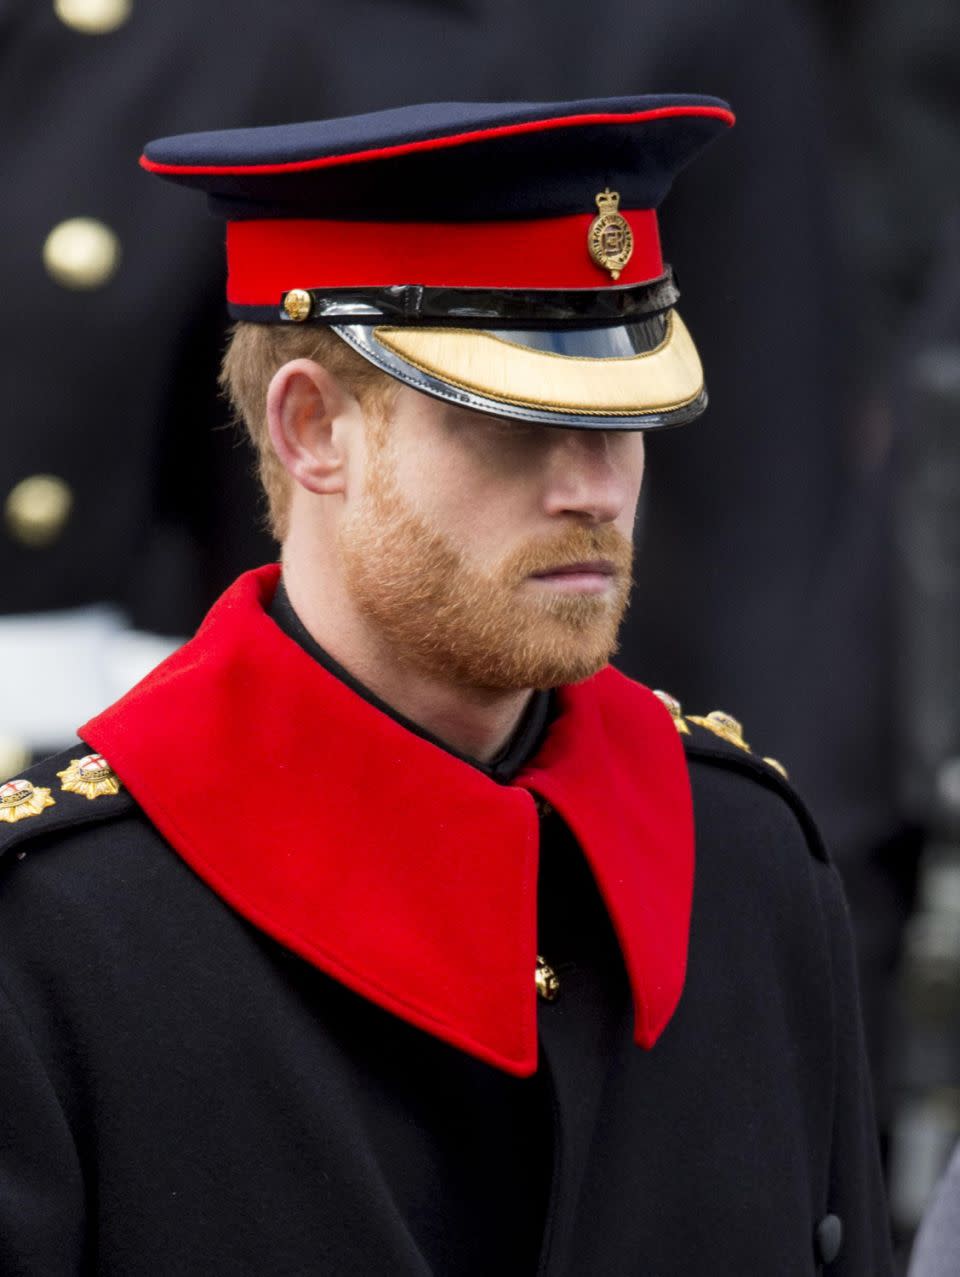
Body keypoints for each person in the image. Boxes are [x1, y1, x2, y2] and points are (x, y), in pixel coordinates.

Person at [0, 96, 892, 1275]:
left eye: (619, 420)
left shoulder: (748, 858)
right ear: (314, 429)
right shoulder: (62, 936)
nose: (594, 488)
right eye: (512, 423)